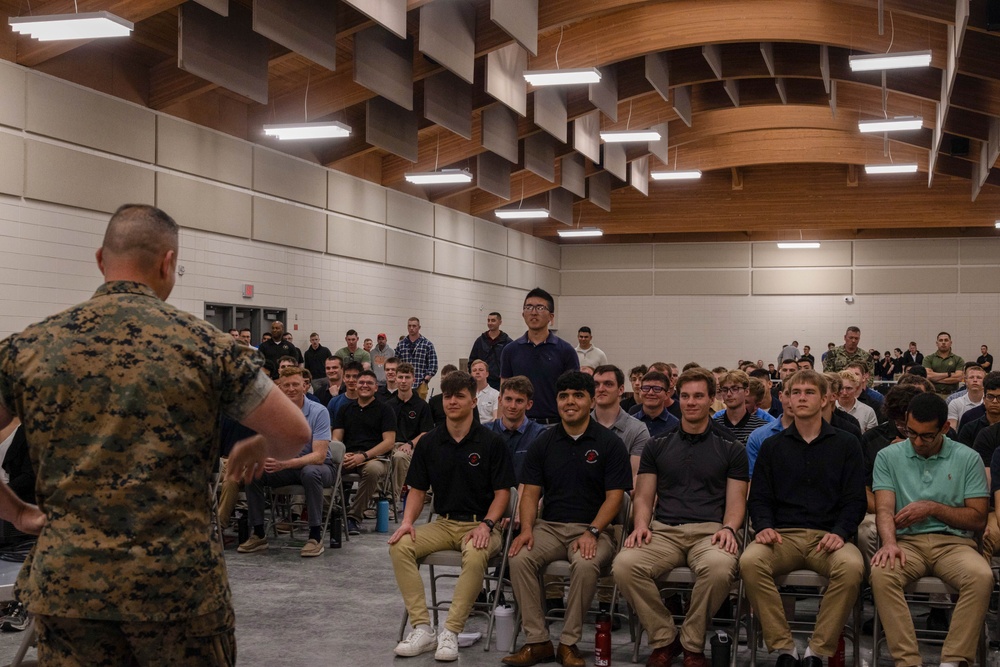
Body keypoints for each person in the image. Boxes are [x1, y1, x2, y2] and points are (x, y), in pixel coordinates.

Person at [0, 204, 311, 664]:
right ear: (169, 263)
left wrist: (18, 514)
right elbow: (295, 434)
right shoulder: (207, 346)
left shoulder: (28, 348)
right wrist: (259, 442)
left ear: (100, 259)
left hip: (70, 587)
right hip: (178, 590)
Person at [613, 368, 748, 667]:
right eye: (685, 396)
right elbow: (644, 496)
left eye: (699, 396)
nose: (691, 402)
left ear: (712, 399)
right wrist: (640, 526)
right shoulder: (657, 444)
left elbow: (737, 502)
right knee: (624, 564)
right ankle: (664, 638)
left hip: (711, 532)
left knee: (720, 568)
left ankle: (692, 642)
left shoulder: (731, 447)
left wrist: (729, 528)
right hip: (664, 531)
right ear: (677, 397)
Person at [504, 372, 631, 667]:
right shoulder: (543, 442)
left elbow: (616, 498)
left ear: (590, 401)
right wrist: (526, 529)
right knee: (519, 557)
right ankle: (537, 642)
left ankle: (569, 643)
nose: (570, 402)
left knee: (586, 564)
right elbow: (530, 493)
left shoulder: (609, 443)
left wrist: (593, 531)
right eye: (563, 396)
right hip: (549, 527)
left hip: (595, 529)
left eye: (577, 395)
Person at [740, 370, 866, 667]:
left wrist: (840, 531)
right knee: (749, 561)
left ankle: (817, 651)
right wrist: (765, 526)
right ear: (786, 398)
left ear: (825, 399)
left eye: (809, 392)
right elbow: (758, 497)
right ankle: (784, 648)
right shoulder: (772, 446)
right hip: (783, 536)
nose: (801, 397)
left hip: (828, 537)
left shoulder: (847, 444)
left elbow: (855, 500)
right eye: (795, 392)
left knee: (852, 567)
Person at [388, 371, 515, 662]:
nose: (452, 401)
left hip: (482, 524)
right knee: (400, 546)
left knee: (476, 551)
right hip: (444, 523)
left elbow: (502, 494)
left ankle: (451, 632)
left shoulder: (492, 443)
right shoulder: (430, 443)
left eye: (459, 396)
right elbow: (418, 490)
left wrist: (487, 524)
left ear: (473, 401)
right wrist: (407, 522)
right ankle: (423, 628)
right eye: (448, 396)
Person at [870, 393, 992, 667]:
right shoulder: (888, 456)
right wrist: (889, 543)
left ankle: (954, 659)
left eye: (926, 436)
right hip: (906, 543)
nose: (916, 441)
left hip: (954, 544)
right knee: (882, 573)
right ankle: (907, 660)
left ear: (945, 429)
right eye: (910, 432)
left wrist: (932, 508)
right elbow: (884, 510)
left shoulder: (967, 458)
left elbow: (977, 519)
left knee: (982, 576)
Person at [239, 367, 339, 558]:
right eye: (287, 385)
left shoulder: (319, 412)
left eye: (295, 384)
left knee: (310, 472)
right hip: (287, 468)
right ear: (279, 387)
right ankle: (259, 533)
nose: (291, 389)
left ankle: (315, 536)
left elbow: (318, 456)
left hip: (320, 468)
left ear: (304, 386)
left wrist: (285, 463)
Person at [500, 288, 579, 426]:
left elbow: (574, 392)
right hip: (519, 426)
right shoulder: (510, 350)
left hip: (555, 425)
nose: (534, 312)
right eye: (529, 307)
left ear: (551, 317)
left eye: (540, 308)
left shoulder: (566, 351)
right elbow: (504, 390)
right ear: (523, 314)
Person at [333, 369, 396, 535]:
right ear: (355, 385)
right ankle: (329, 513)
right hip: (348, 456)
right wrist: (342, 452)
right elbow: (336, 438)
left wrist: (364, 456)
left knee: (372, 470)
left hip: (374, 458)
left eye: (369, 383)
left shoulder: (385, 410)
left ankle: (353, 518)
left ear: (376, 387)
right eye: (361, 382)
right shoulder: (345, 409)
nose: (364, 385)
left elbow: (389, 442)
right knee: (324, 468)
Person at [591, 365, 651, 480]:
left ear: (621, 390)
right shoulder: (579, 426)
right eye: (596, 384)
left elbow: (635, 479)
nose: (601, 389)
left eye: (608, 384)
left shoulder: (637, 430)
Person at [387, 362, 433, 506]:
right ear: (395, 379)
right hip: (390, 445)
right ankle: (375, 501)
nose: (403, 381)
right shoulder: (388, 405)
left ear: (413, 379)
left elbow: (426, 432)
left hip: (411, 448)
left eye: (407, 377)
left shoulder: (422, 406)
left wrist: (410, 443)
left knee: (399, 457)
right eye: (400, 377)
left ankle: (392, 501)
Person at [487, 376, 547, 482]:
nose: (512, 406)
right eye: (508, 399)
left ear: (529, 404)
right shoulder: (486, 433)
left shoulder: (540, 436)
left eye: (519, 401)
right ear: (500, 400)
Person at [396, 317, 439, 400]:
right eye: (409, 326)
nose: (411, 328)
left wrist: (425, 380)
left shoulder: (427, 344)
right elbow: (396, 364)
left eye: (414, 326)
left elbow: (433, 365)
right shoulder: (401, 344)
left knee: (419, 409)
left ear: (419, 327)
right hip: (404, 383)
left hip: (420, 383)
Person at [629, 369, 681, 438]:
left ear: (666, 394)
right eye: (646, 388)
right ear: (640, 392)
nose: (650, 393)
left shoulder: (675, 426)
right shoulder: (629, 423)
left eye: (657, 389)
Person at [468, 312, 512, 390]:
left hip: (501, 383)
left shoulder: (507, 342)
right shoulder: (480, 341)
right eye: (488, 320)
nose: (490, 323)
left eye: (493, 320)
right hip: (482, 382)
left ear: (500, 322)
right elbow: (472, 361)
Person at [923, 332, 966, 397]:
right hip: (934, 394)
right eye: (940, 340)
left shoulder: (958, 359)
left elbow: (959, 377)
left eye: (946, 340)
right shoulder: (928, 358)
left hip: (953, 395)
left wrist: (935, 379)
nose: (943, 342)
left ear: (950, 343)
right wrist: (949, 374)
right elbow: (928, 375)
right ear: (937, 343)